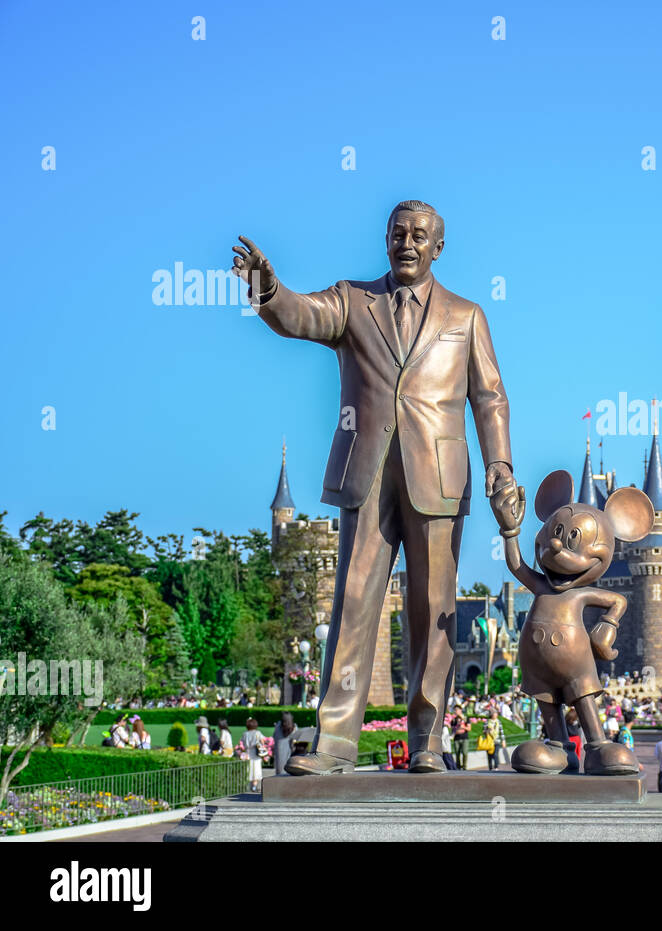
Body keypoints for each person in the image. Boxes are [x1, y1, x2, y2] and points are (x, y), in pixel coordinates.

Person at [238, 204, 516, 778]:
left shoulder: (466, 316)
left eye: (420, 236)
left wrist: (500, 466)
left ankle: (427, 742)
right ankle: (335, 741)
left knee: (433, 610)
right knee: (355, 601)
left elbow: (489, 397)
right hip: (366, 473)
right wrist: (270, 289)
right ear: (385, 240)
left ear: (439, 247)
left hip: (438, 477)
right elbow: (298, 317)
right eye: (398, 234)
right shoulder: (351, 301)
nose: (407, 243)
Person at [241, 718, 265, 792]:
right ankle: (254, 786)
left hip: (248, 752)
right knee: (256, 769)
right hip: (256, 753)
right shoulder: (257, 733)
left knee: (250, 769)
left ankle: (251, 785)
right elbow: (262, 741)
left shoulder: (245, 733)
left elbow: (243, 743)